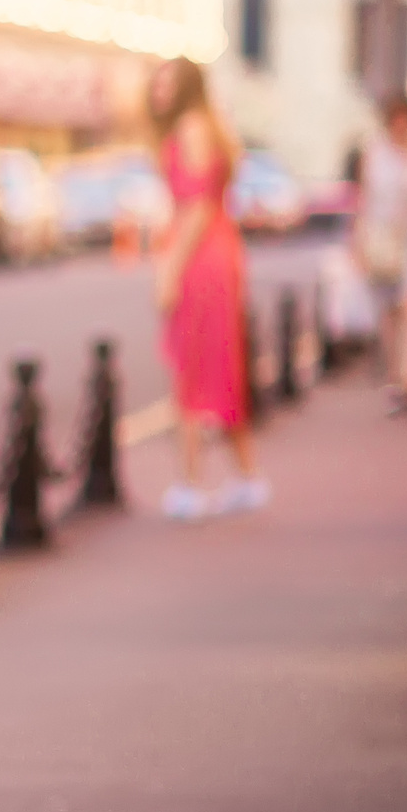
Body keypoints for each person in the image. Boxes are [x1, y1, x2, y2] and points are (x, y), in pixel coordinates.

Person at [147, 57, 266, 518]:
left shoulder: (191, 128)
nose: (158, 94)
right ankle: (246, 476)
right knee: (219, 362)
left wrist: (170, 270)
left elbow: (195, 207)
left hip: (201, 256)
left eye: (167, 85)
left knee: (191, 364)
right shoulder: (206, 126)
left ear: (186, 89)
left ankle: (190, 482)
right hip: (218, 250)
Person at [355, 93, 407, 415]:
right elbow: (363, 200)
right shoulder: (374, 155)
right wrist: (359, 242)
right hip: (381, 240)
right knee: (388, 311)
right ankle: (395, 377)